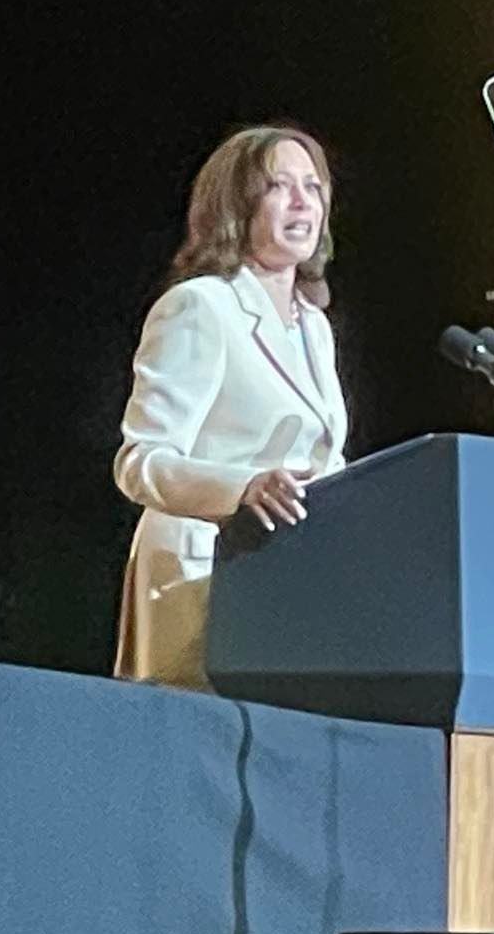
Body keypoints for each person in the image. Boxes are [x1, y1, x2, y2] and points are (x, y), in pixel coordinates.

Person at [112, 125, 349, 689]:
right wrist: (242, 487)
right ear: (236, 207)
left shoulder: (314, 327)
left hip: (282, 579)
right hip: (199, 572)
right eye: (279, 186)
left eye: (313, 187)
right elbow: (141, 462)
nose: (302, 202)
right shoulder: (201, 307)